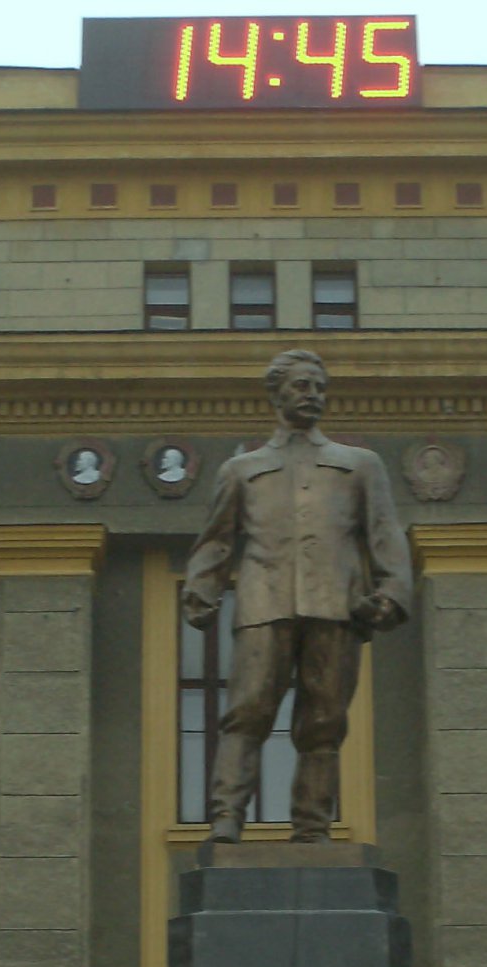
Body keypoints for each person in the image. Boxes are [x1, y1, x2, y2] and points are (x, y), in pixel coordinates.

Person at [181, 349, 412, 843]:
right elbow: (217, 539)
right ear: (276, 393)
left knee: (325, 720)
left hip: (337, 606)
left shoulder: (360, 466)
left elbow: (385, 536)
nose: (314, 396)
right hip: (265, 605)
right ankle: (226, 819)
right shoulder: (241, 470)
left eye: (320, 388)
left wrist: (391, 594)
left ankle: (313, 828)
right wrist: (202, 589)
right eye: (303, 385)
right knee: (247, 712)